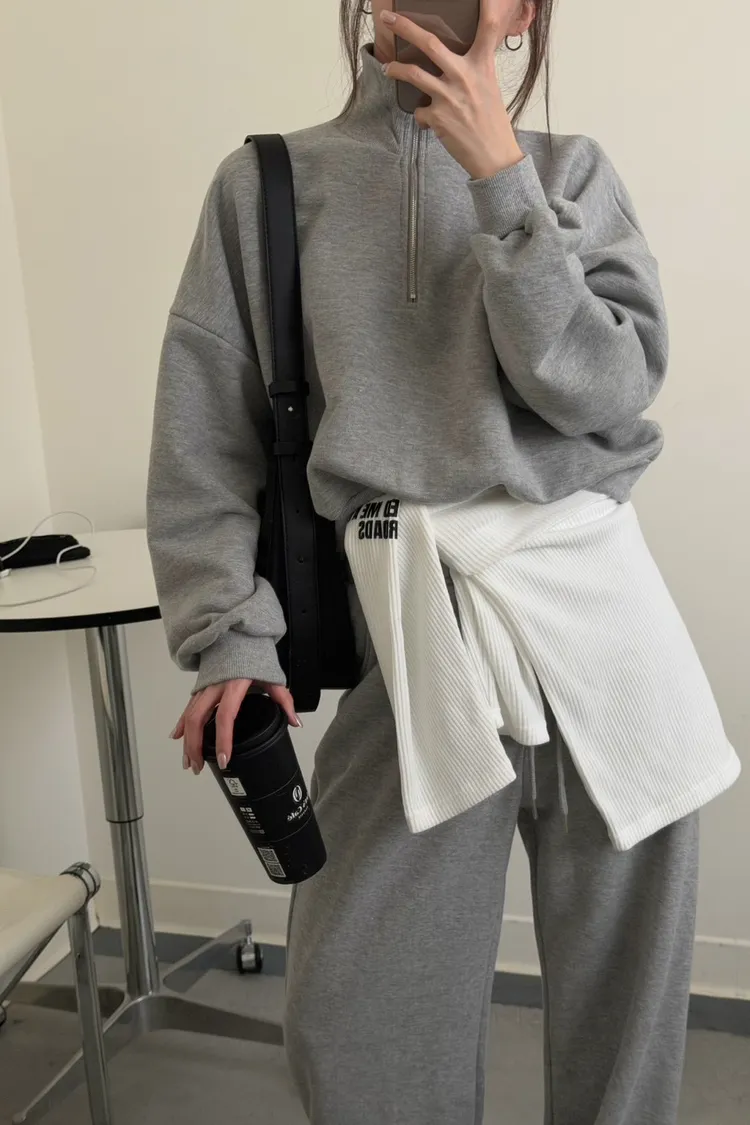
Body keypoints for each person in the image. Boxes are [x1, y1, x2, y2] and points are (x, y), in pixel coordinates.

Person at [146, 2, 740, 1123]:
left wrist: (502, 180)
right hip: (412, 631)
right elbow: (207, 439)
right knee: (355, 1021)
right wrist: (226, 631)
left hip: (602, 628)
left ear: (522, 13)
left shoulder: (569, 170)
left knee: (626, 1040)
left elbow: (606, 389)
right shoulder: (268, 186)